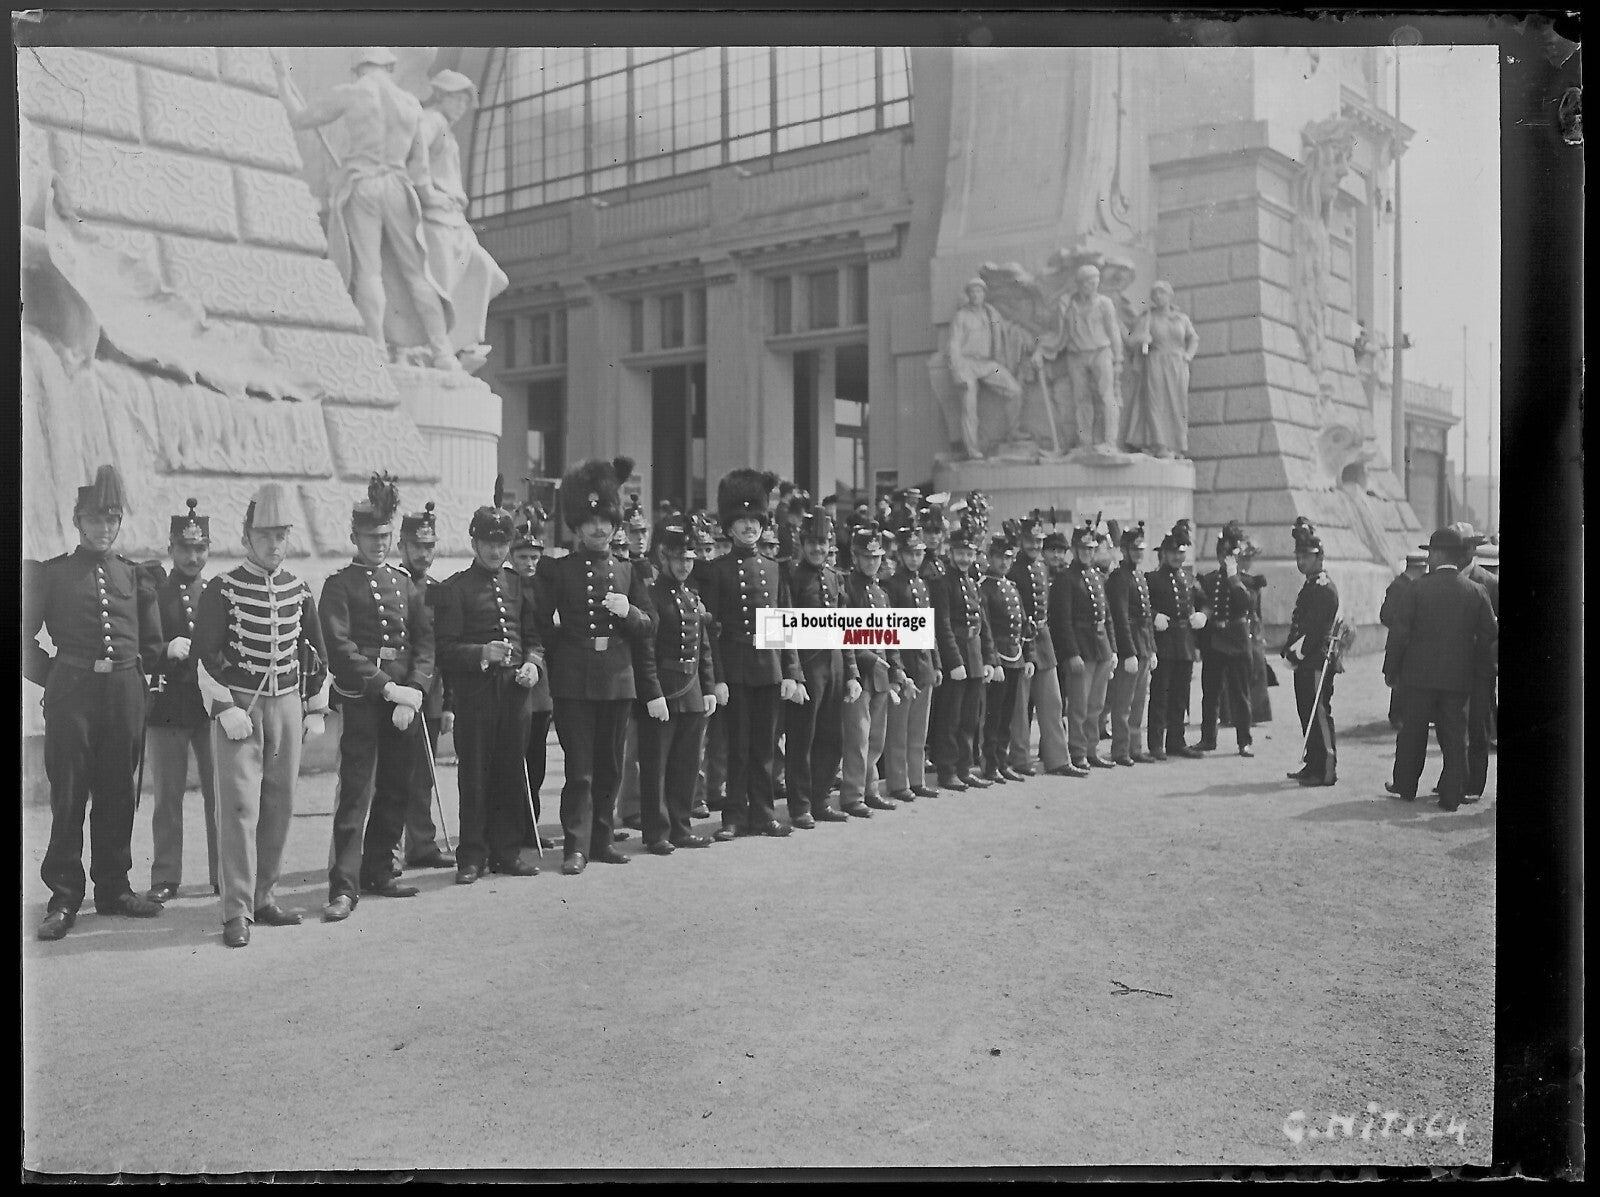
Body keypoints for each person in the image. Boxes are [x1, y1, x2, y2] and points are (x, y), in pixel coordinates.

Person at [25, 465, 166, 941]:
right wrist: (55, 676)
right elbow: (23, 639)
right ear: (77, 521)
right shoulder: (54, 575)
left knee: (118, 793)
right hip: (73, 696)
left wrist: (140, 688)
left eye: (112, 519)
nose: (104, 528)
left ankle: (114, 888)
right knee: (68, 796)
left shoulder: (135, 574)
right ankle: (64, 896)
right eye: (94, 519)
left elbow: (152, 643)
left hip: (123, 695)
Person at [193, 483, 331, 948]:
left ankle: (265, 896)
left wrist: (315, 706)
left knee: (279, 804)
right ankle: (236, 910)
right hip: (242, 708)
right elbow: (203, 656)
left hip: (287, 706)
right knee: (238, 809)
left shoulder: (299, 589)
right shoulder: (223, 588)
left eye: (281, 535)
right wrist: (225, 706)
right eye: (265, 535)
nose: (274, 544)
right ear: (246, 536)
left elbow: (316, 652)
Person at [274, 48, 458, 370]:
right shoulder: (410, 104)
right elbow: (420, 168)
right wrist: (431, 198)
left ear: (358, 68)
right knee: (417, 274)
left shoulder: (351, 94)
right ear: (390, 66)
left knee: (369, 272)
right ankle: (443, 354)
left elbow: (298, 118)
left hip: (363, 186)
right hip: (398, 187)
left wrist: (282, 80)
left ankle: (376, 351)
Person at [318, 473, 436, 922]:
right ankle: (344, 886)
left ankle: (380, 869)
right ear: (355, 537)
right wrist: (387, 687)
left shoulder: (405, 583)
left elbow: (425, 644)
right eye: (372, 537)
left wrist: (414, 692)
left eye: (386, 537)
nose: (380, 544)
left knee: (396, 786)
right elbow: (340, 648)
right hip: (364, 698)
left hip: (404, 702)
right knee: (356, 792)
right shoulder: (339, 585)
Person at [532, 457, 653, 874]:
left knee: (610, 766)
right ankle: (576, 846)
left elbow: (649, 625)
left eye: (605, 521)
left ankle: (602, 840)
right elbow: (541, 623)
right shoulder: (560, 570)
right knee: (579, 769)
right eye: (590, 522)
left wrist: (629, 611)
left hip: (617, 678)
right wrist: (564, 653)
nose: (599, 529)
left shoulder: (629, 570)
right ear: (577, 526)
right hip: (574, 680)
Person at [434, 496, 544, 883]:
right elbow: (445, 650)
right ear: (474, 544)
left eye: (502, 544)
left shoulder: (518, 584)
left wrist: (532, 664)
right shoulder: (455, 589)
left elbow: (534, 638)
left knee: (511, 772)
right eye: (488, 543)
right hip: (475, 696)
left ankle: (506, 852)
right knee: (475, 775)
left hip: (515, 693)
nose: (496, 551)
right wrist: (481, 652)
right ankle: (471, 856)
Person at [696, 469, 806, 841]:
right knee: (737, 747)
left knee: (765, 747)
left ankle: (763, 814)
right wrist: (718, 679)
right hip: (736, 668)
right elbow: (710, 632)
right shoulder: (717, 571)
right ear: (729, 527)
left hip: (768, 668)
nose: (749, 526)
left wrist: (791, 672)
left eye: (754, 520)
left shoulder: (775, 569)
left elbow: (785, 625)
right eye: (741, 520)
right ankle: (734, 816)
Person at [1382, 526, 1498, 811]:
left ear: (1437, 554)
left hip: (1418, 677)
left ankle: (1406, 785)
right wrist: (1469, 656)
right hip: (1458, 678)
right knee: (1454, 736)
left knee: (1413, 732)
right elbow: (1489, 633)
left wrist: (1391, 670)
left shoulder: (1417, 588)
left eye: (1430, 553)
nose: (1428, 558)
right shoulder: (1476, 591)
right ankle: (1451, 794)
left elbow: (1399, 632)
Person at [144, 499, 220, 903]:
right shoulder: (155, 593)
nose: (193, 557)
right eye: (186, 548)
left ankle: (224, 873)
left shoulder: (216, 593)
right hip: (169, 707)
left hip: (211, 708)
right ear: (171, 548)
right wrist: (164, 650)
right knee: (168, 798)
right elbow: (141, 645)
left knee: (219, 795)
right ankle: (165, 875)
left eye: (200, 548)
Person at [632, 518, 718, 853]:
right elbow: (646, 651)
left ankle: (681, 827)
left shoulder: (691, 596)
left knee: (686, 765)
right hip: (664, 692)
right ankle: (657, 832)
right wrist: (653, 694)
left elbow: (703, 647)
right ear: (663, 558)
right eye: (679, 559)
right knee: (656, 767)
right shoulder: (651, 597)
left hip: (691, 690)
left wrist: (708, 687)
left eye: (689, 559)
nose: (685, 565)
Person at [415, 69, 509, 363]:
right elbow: (414, 148)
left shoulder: (445, 127)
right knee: (441, 285)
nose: (461, 106)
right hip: (437, 217)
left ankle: (460, 342)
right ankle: (439, 348)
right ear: (441, 95)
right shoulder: (431, 120)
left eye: (465, 102)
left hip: (454, 219)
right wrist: (426, 191)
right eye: (456, 99)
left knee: (489, 273)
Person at [783, 509, 860, 822]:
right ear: (803, 543)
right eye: (812, 542)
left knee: (832, 737)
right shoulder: (792, 577)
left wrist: (852, 673)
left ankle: (821, 800)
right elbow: (784, 631)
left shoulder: (834, 577)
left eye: (823, 542)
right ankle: (800, 806)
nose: (818, 548)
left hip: (835, 667)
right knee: (802, 739)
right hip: (808, 667)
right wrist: (794, 675)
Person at [394, 501, 456, 872]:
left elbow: (444, 652)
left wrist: (448, 704)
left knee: (423, 776)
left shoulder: (439, 591)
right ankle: (391, 849)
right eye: (416, 546)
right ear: (401, 546)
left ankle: (421, 843)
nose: (423, 553)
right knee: (394, 775)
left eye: (429, 546)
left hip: (430, 696)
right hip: (395, 694)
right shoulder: (390, 584)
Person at [839, 525, 908, 814]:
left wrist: (897, 669)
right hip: (859, 672)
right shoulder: (847, 589)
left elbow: (890, 636)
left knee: (876, 738)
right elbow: (843, 633)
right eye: (866, 557)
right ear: (855, 557)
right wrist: (867, 659)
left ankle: (871, 789)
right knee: (858, 738)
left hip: (881, 673)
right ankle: (852, 795)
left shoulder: (881, 592)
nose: (872, 562)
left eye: (876, 557)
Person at [1031, 264, 1127, 453]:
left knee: (1107, 396)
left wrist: (1118, 359)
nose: (1093, 286)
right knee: (1081, 399)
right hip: (1076, 355)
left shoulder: (1104, 303)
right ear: (1080, 284)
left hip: (1101, 352)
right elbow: (1058, 334)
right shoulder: (1069, 305)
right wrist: (1040, 351)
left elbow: (1114, 331)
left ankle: (1110, 442)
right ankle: (1084, 441)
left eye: (1095, 282)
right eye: (1088, 282)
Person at [930, 519, 996, 790]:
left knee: (970, 717)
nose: (965, 559)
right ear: (950, 552)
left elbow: (983, 623)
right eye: (960, 553)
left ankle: (964, 767)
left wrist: (990, 659)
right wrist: (954, 661)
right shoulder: (941, 584)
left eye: (969, 554)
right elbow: (943, 625)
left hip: (975, 654)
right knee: (951, 717)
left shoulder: (973, 584)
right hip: (956, 656)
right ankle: (947, 770)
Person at [507, 505, 558, 852]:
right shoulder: (504, 586)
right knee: (511, 758)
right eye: (523, 556)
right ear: (512, 556)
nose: (529, 563)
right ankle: (509, 826)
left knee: (536, 758)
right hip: (510, 675)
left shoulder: (546, 586)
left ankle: (531, 825)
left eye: (534, 557)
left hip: (540, 680)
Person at [1007, 513, 1072, 777]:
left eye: (1038, 541)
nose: (1035, 546)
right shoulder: (1013, 570)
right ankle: (1020, 757)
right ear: (1021, 541)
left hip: (1044, 639)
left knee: (1053, 702)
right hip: (1020, 641)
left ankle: (1058, 758)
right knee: (1020, 706)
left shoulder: (1042, 569)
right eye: (1030, 541)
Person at [881, 522, 942, 802]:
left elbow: (929, 628)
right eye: (910, 554)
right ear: (900, 555)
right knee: (899, 729)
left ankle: (916, 779)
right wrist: (898, 670)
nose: (915, 559)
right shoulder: (892, 586)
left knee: (919, 729)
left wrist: (936, 663)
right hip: (904, 663)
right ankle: (898, 781)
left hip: (924, 662)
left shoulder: (922, 584)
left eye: (919, 554)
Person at [1052, 521, 1117, 772]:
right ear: (1074, 549)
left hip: (1101, 647)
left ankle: (1092, 750)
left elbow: (1107, 615)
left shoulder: (1096, 577)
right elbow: (1063, 621)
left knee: (1096, 706)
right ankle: (1078, 752)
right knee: (1079, 706)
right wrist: (1072, 653)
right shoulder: (1066, 579)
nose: (1087, 553)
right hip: (1081, 648)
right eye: (1083, 549)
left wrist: (1112, 648)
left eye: (1091, 549)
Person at [1283, 518, 1340, 788]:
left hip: (1316, 659)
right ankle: (1313, 763)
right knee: (1306, 712)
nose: (1301, 561)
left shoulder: (1324, 587)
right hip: (1305, 660)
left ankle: (1326, 769)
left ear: (1320, 557)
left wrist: (1297, 654)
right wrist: (1289, 650)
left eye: (1306, 556)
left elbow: (1315, 630)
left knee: (1319, 713)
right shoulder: (1311, 584)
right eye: (1298, 556)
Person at [1145, 522, 1207, 761]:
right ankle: (1156, 744)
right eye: (1172, 552)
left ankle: (1176, 741)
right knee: (1160, 694)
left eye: (1181, 552)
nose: (1177, 557)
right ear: (1163, 553)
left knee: (1181, 695)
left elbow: (1205, 602)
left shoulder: (1188, 578)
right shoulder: (1152, 579)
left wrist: (1203, 615)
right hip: (1164, 642)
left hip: (1184, 643)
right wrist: (1154, 616)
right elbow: (1140, 606)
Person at [946, 278, 1027, 458]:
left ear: (984, 294)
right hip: (966, 365)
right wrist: (957, 372)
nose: (976, 295)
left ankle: (1014, 431)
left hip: (988, 364)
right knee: (969, 407)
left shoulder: (991, 313)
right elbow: (953, 345)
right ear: (968, 295)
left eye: (979, 291)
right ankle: (972, 449)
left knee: (1015, 390)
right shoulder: (961, 316)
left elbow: (1005, 330)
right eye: (972, 292)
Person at [1196, 521, 1256, 757]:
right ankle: (1208, 738)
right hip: (1215, 641)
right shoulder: (1210, 580)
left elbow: (1246, 604)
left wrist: (1233, 579)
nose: (1225, 558)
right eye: (1222, 554)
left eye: (1230, 554)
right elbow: (1204, 605)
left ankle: (1244, 741)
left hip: (1238, 641)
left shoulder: (1246, 580)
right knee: (1210, 693)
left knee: (1240, 694)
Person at [979, 530, 1033, 782]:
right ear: (990, 557)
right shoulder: (984, 588)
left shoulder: (1011, 587)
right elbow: (986, 628)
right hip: (998, 658)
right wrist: (993, 661)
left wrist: (1028, 656)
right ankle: (990, 763)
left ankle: (1002, 760)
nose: (1004, 563)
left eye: (1008, 558)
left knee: (1008, 714)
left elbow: (1023, 624)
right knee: (993, 715)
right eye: (999, 557)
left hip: (1015, 656)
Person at [1125, 280, 1200, 458]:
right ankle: (1159, 445)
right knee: (1156, 403)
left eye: (1162, 293)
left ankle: (1178, 445)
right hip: (1156, 362)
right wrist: (1142, 338)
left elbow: (1193, 338)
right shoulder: (1147, 318)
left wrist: (1188, 355)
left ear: (1169, 295)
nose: (1158, 297)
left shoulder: (1181, 318)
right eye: (1155, 294)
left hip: (1178, 364)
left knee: (1178, 405)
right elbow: (1131, 341)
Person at [1104, 520, 1158, 767]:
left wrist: (1152, 649)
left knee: (1138, 702)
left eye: (1140, 549)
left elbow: (1146, 617)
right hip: (1131, 647)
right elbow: (1120, 617)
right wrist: (1128, 652)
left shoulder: (1139, 576)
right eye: (1133, 549)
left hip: (1143, 645)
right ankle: (1121, 749)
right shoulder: (1118, 578)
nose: (1138, 553)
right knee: (1123, 703)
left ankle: (1135, 748)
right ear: (1124, 550)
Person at [1379, 550, 1428, 730]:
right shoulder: (1398, 587)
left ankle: (1404, 714)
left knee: (1408, 680)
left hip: (1412, 643)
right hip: (1400, 642)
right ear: (1418, 568)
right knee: (1399, 681)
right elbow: (1385, 615)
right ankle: (1397, 716)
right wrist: (1403, 625)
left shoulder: (1415, 586)